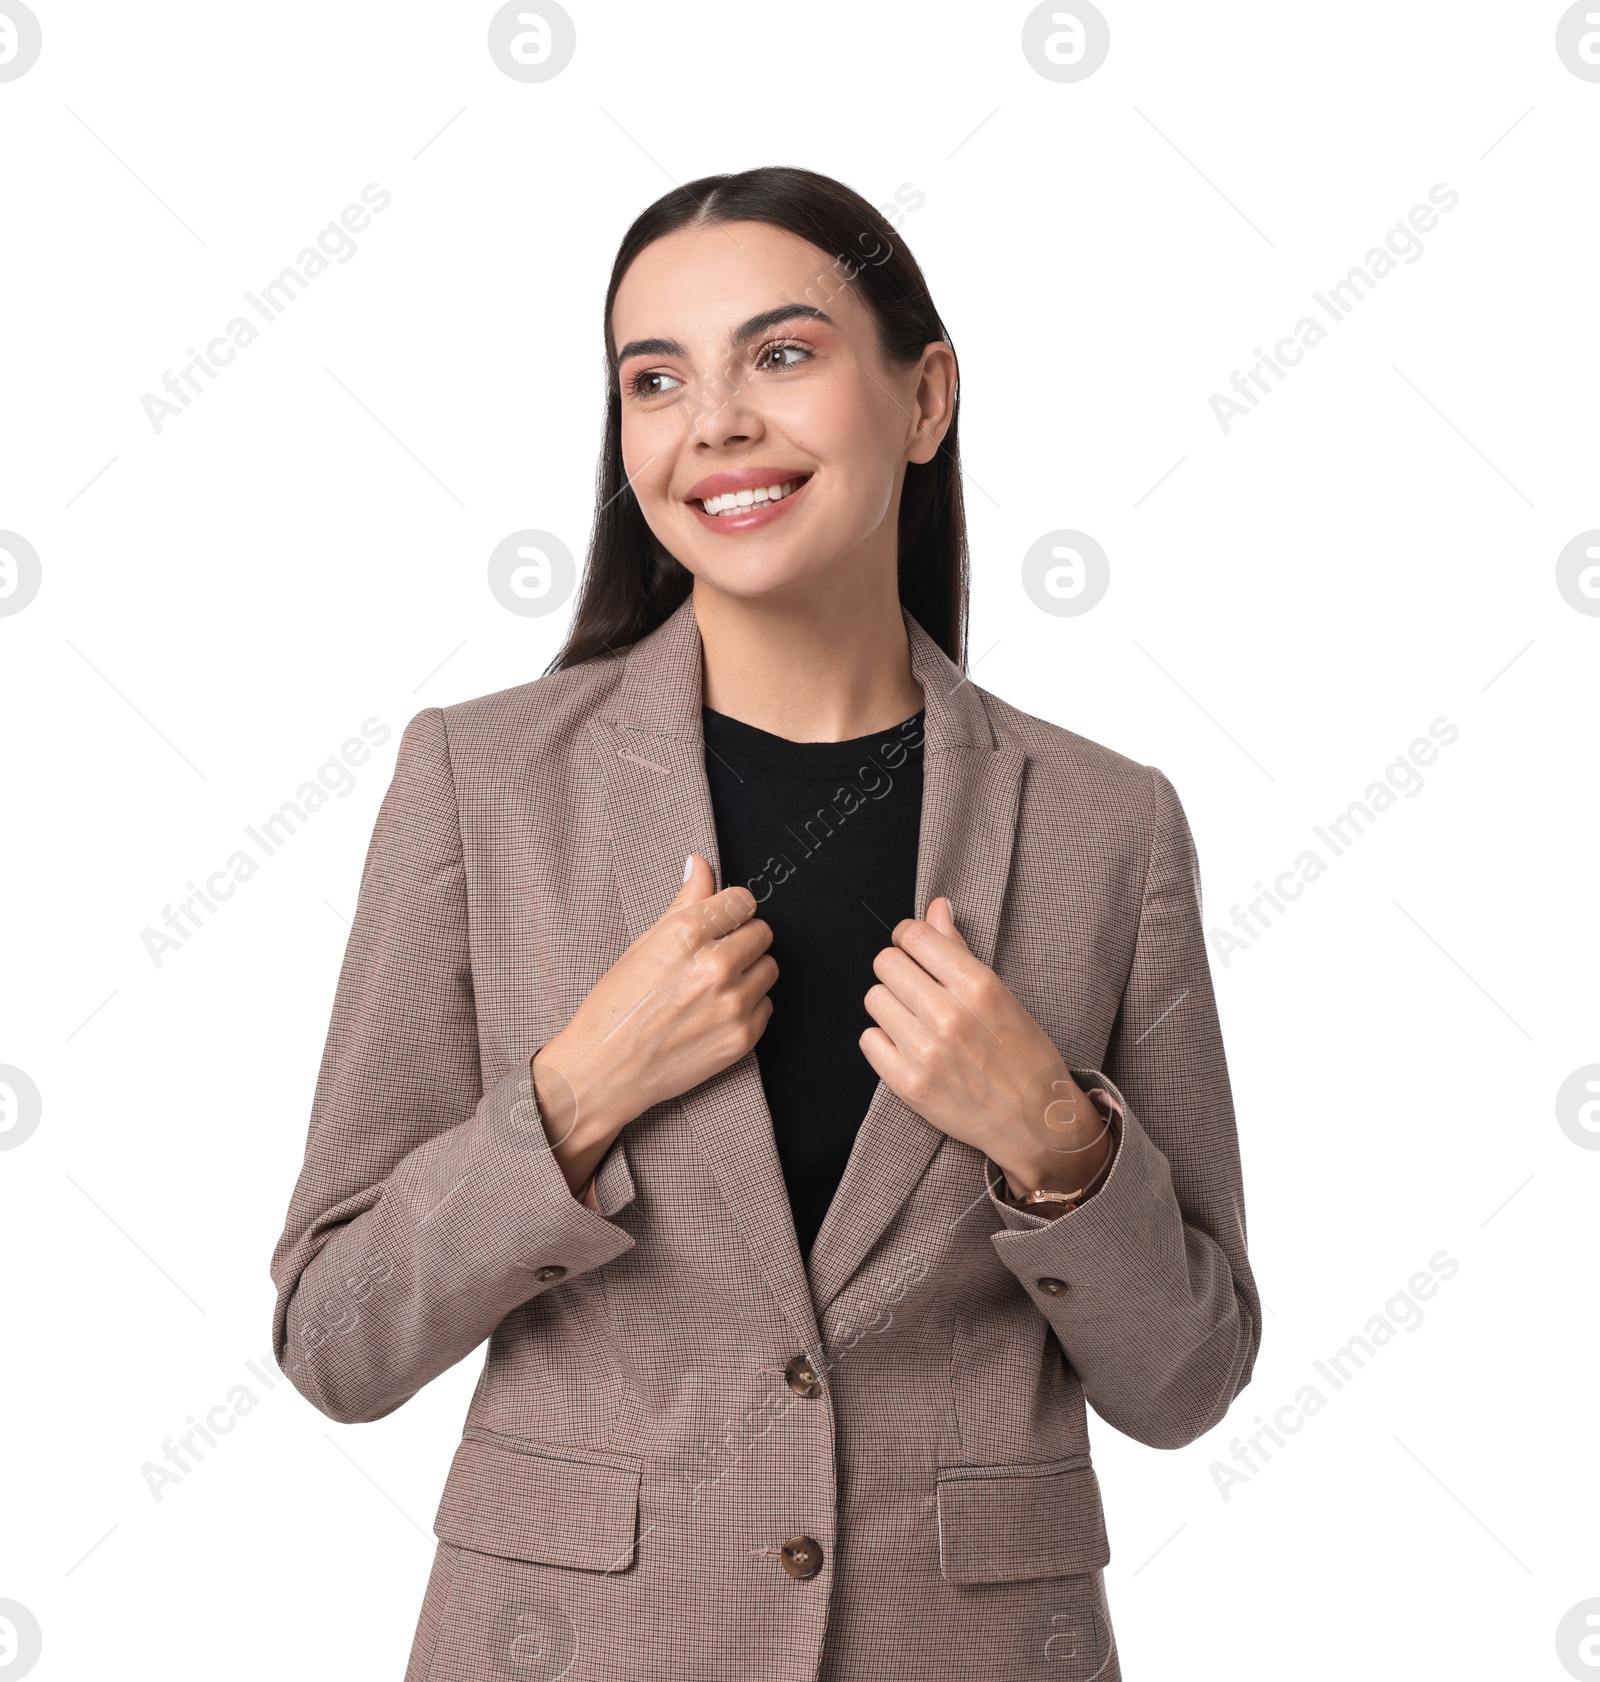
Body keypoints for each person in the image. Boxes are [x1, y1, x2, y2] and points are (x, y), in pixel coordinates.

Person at [269, 164, 1260, 1682]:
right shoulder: (481, 784)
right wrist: (574, 1094)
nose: (714, 420)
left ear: (924, 397)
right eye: (655, 379)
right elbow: (337, 1337)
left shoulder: (1106, 824)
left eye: (780, 355)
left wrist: (1062, 1148)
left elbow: (1187, 1375)